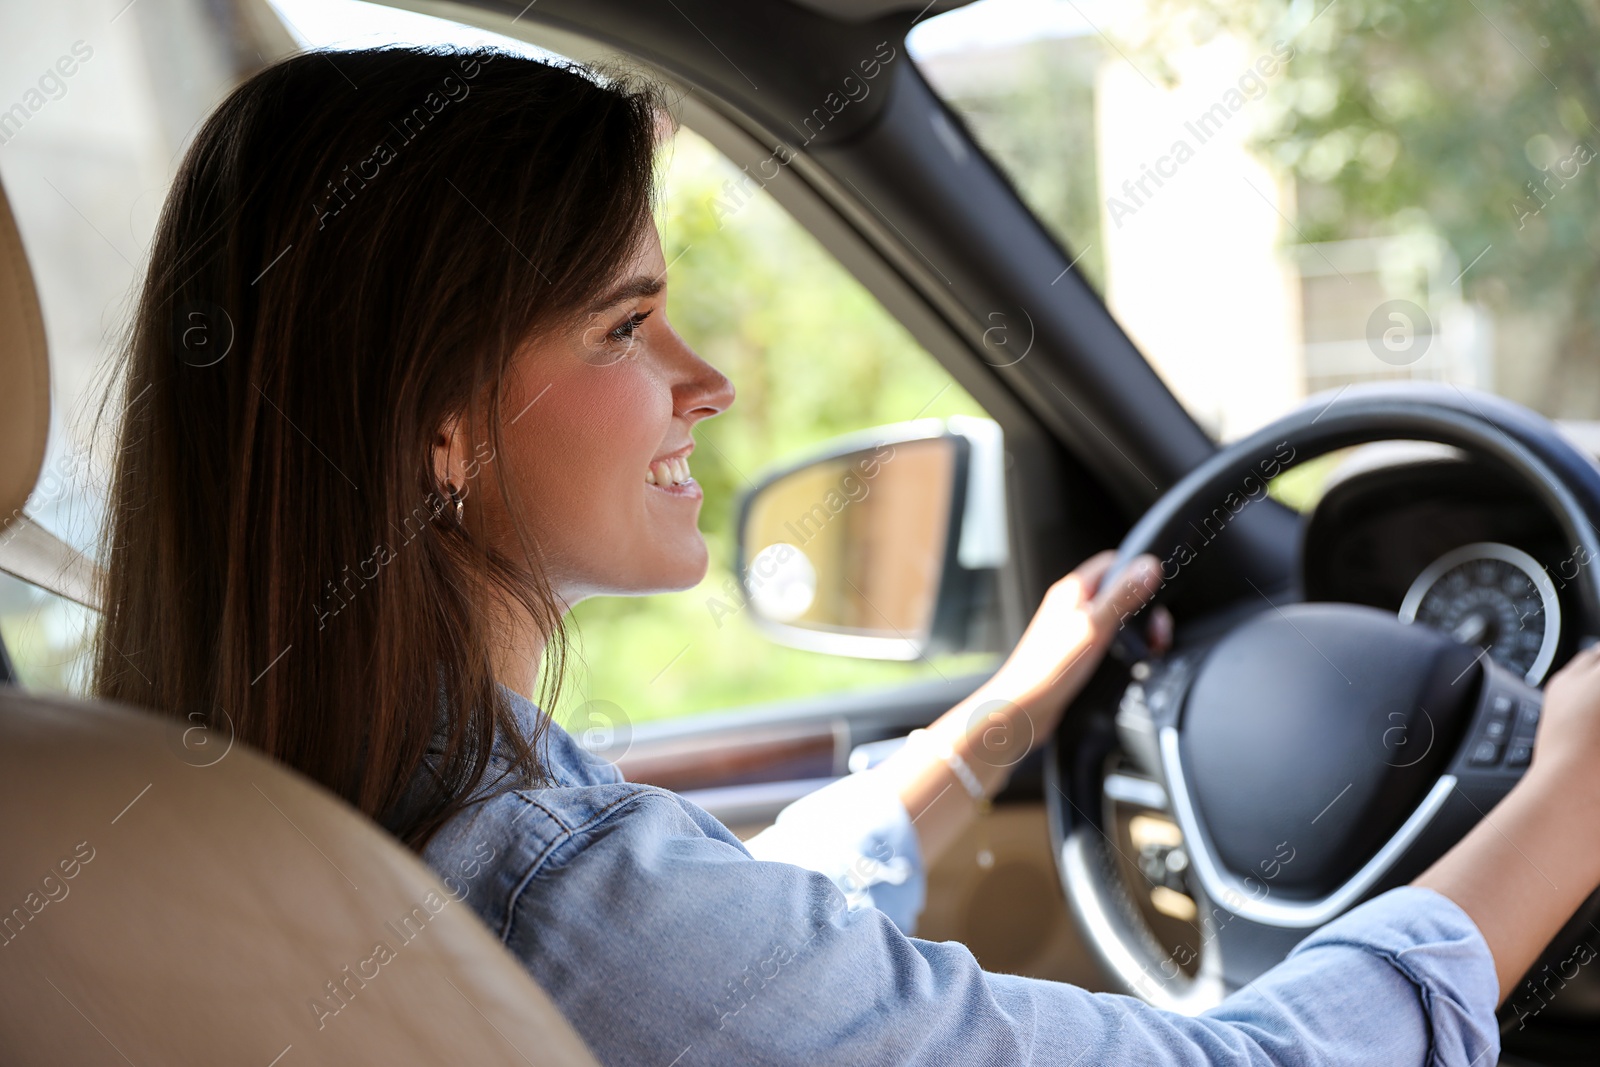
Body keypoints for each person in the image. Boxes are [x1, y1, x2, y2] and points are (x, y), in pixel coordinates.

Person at [91, 46, 1600, 1065]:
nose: (707, 380)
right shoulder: (548, 881)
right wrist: (1572, 786)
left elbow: (731, 963)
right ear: (437, 429)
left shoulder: (258, 800)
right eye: (625, 325)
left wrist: (988, 729)